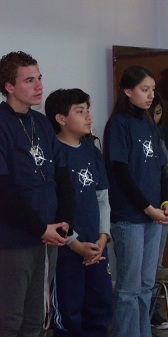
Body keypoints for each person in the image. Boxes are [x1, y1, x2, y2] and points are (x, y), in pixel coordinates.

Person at [0, 51, 72, 337]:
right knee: (10, 318)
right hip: (14, 239)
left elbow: (61, 176)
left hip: (48, 236)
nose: (39, 85)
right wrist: (39, 227)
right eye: (29, 80)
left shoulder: (41, 123)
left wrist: (65, 221)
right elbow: (2, 190)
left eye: (39, 78)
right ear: (9, 86)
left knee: (37, 317)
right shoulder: (2, 124)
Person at [103, 65, 168, 337]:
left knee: (146, 285)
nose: (150, 95)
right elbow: (120, 172)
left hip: (154, 217)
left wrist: (165, 203)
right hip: (130, 217)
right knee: (129, 289)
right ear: (127, 91)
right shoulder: (118, 124)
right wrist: (149, 208)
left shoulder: (150, 124)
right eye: (144, 90)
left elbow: (161, 168)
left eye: (152, 90)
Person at [45, 88, 113, 337]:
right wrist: (74, 243)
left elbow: (103, 198)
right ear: (60, 119)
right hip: (67, 248)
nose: (88, 116)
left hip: (96, 246)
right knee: (69, 310)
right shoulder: (53, 154)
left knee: (100, 305)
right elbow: (51, 205)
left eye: (88, 110)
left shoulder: (92, 152)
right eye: (80, 111)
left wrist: (103, 237)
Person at [148, 91, 168, 331]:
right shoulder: (125, 129)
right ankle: (140, 314)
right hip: (140, 209)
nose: (154, 118)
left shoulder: (165, 134)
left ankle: (153, 310)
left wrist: (167, 201)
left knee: (156, 262)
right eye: (150, 113)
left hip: (163, 204)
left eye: (157, 114)